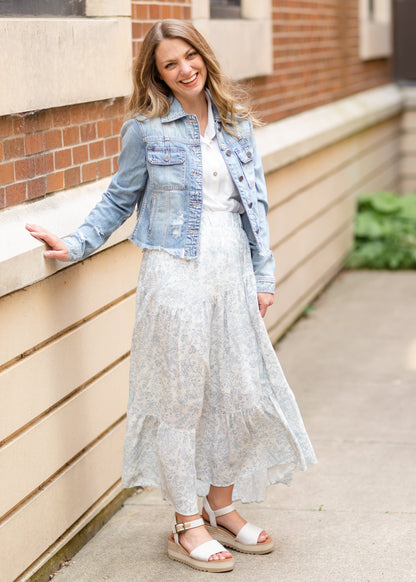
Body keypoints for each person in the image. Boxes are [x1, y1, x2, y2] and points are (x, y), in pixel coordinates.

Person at [26, 19, 316, 573]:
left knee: (241, 391)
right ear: (155, 74)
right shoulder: (146, 127)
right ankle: (186, 521)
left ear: (204, 55)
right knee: (180, 396)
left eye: (190, 56)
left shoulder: (235, 123)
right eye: (170, 64)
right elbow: (119, 196)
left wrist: (263, 275)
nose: (185, 70)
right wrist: (78, 243)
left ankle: (221, 504)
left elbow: (255, 203)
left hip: (232, 263)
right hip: (175, 267)